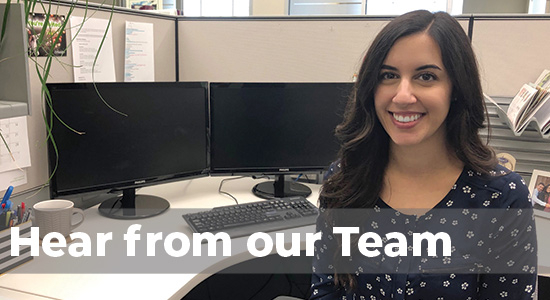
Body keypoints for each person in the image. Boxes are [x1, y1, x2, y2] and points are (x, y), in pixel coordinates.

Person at [311, 10, 537, 300]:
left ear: (456, 88)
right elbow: (326, 290)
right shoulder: (345, 180)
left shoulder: (501, 197)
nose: (403, 96)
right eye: (388, 75)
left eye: (426, 76)